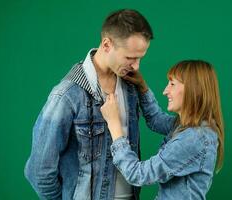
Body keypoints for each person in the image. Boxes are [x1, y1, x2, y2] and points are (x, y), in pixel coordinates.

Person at [24, 9, 153, 200]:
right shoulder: (67, 95)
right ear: (107, 44)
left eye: (140, 58)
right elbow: (38, 171)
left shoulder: (130, 85)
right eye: (130, 58)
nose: (136, 66)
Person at [100, 60, 224, 200]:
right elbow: (156, 120)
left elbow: (138, 174)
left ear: (193, 89)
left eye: (172, 84)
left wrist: (114, 125)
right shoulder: (191, 127)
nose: (165, 91)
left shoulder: (194, 138)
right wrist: (142, 87)